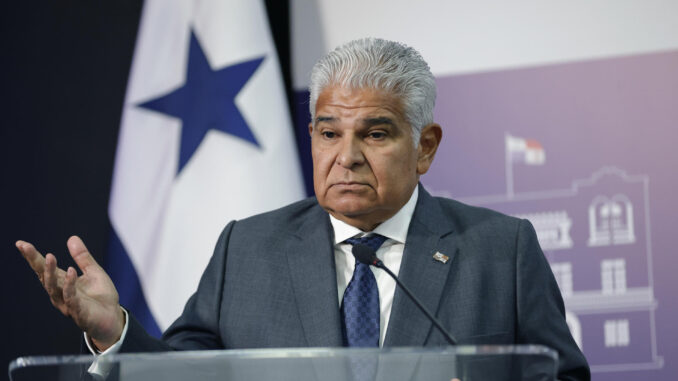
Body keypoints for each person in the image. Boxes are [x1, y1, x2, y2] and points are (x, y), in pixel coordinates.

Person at [16, 38, 590, 380]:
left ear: (426, 147)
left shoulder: (501, 249)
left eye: (376, 133)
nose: (347, 157)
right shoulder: (248, 249)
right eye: (328, 132)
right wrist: (115, 331)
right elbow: (180, 377)